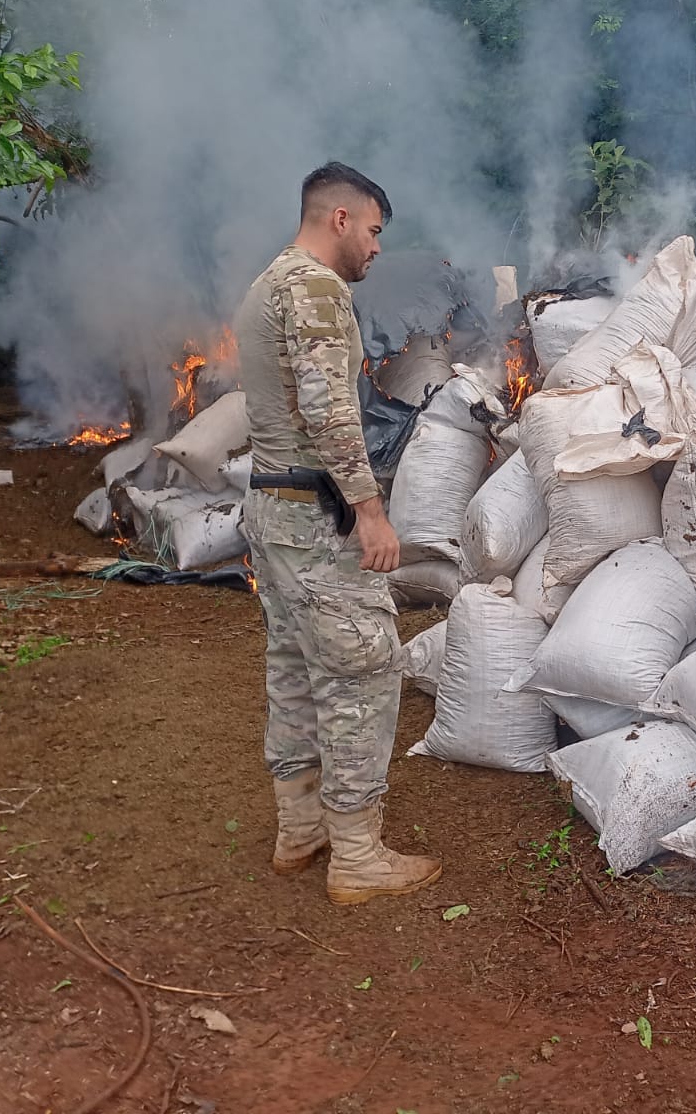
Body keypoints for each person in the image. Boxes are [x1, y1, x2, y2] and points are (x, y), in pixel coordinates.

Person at [233, 161, 441, 905]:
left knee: (293, 668)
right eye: (376, 230)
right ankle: (356, 853)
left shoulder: (267, 284)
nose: (378, 249)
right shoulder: (317, 289)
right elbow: (328, 413)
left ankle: (300, 829)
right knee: (360, 672)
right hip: (318, 519)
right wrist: (370, 510)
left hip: (271, 510)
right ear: (341, 219)